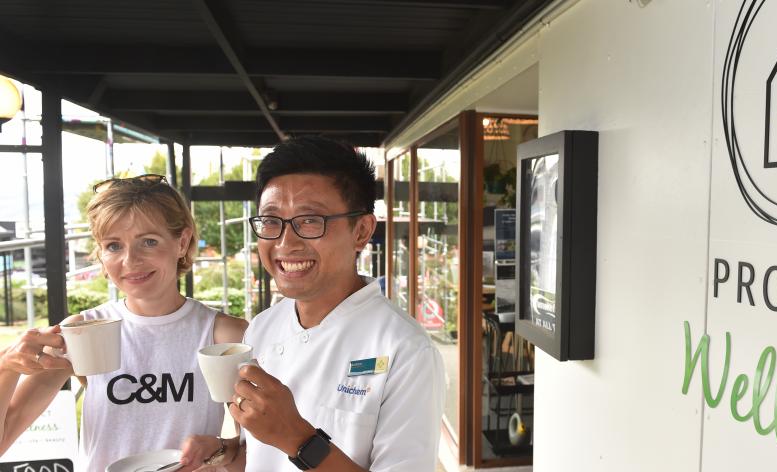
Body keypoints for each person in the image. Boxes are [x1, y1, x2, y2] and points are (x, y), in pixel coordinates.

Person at [182, 136, 444, 471]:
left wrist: (298, 438)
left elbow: (286, 437)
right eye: (271, 221)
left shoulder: (405, 350)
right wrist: (222, 452)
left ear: (361, 231)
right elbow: (260, 452)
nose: (285, 242)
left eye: (310, 220)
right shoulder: (262, 327)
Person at [0, 174, 247, 471]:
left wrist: (220, 453)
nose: (130, 260)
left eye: (149, 242)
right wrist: (7, 367)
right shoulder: (81, 332)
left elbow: (260, 454)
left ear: (181, 242)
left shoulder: (224, 335)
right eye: (114, 246)